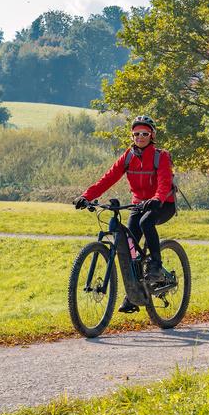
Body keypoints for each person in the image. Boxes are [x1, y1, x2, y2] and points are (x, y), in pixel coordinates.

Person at [73, 115, 176, 313]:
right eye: (136, 133)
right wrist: (86, 196)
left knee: (147, 223)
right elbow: (108, 178)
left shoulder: (161, 156)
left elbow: (164, 181)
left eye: (144, 133)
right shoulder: (128, 157)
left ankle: (156, 265)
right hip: (139, 204)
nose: (140, 137)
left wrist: (157, 199)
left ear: (152, 135)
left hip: (163, 204)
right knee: (130, 248)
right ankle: (133, 295)